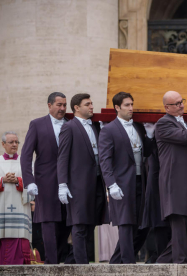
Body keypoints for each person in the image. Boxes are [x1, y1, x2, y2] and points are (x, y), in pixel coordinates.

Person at [99, 92, 155, 264]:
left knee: (142, 224)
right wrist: (111, 184)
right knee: (126, 224)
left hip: (140, 181)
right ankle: (129, 265)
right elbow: (105, 160)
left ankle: (116, 262)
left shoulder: (138, 127)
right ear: (117, 107)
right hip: (121, 183)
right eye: (127, 105)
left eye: (132, 104)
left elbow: (145, 152)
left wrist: (150, 136)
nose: (131, 108)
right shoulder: (109, 130)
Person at [20, 92, 73, 264]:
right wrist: (29, 182)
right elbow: (26, 155)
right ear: (49, 105)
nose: (63, 108)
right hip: (45, 181)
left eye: (65, 105)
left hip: (70, 181)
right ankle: (51, 264)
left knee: (68, 221)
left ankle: (61, 257)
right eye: (59, 105)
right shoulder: (37, 124)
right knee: (48, 221)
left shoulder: (71, 124)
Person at [155, 91, 187, 264]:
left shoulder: (183, 122)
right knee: (179, 225)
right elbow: (184, 138)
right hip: (175, 183)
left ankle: (160, 264)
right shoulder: (163, 123)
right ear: (167, 107)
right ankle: (181, 264)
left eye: (182, 102)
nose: (181, 105)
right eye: (177, 103)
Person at [57, 93, 109, 264]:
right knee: (79, 224)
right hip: (78, 183)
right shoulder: (69, 127)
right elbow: (63, 157)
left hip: (97, 181)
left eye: (92, 103)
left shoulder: (95, 126)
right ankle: (81, 266)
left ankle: (76, 260)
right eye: (88, 104)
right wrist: (62, 184)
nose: (92, 106)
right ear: (77, 108)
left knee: (91, 223)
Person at [0, 131, 32, 264]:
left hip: (20, 210)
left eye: (16, 142)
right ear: (3, 144)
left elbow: (33, 185)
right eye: (11, 142)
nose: (14, 145)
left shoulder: (25, 162)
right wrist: (2, 180)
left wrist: (18, 181)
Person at [141, 144, 172, 264]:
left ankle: (158, 257)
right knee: (160, 228)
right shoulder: (154, 145)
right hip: (156, 190)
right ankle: (158, 258)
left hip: (163, 188)